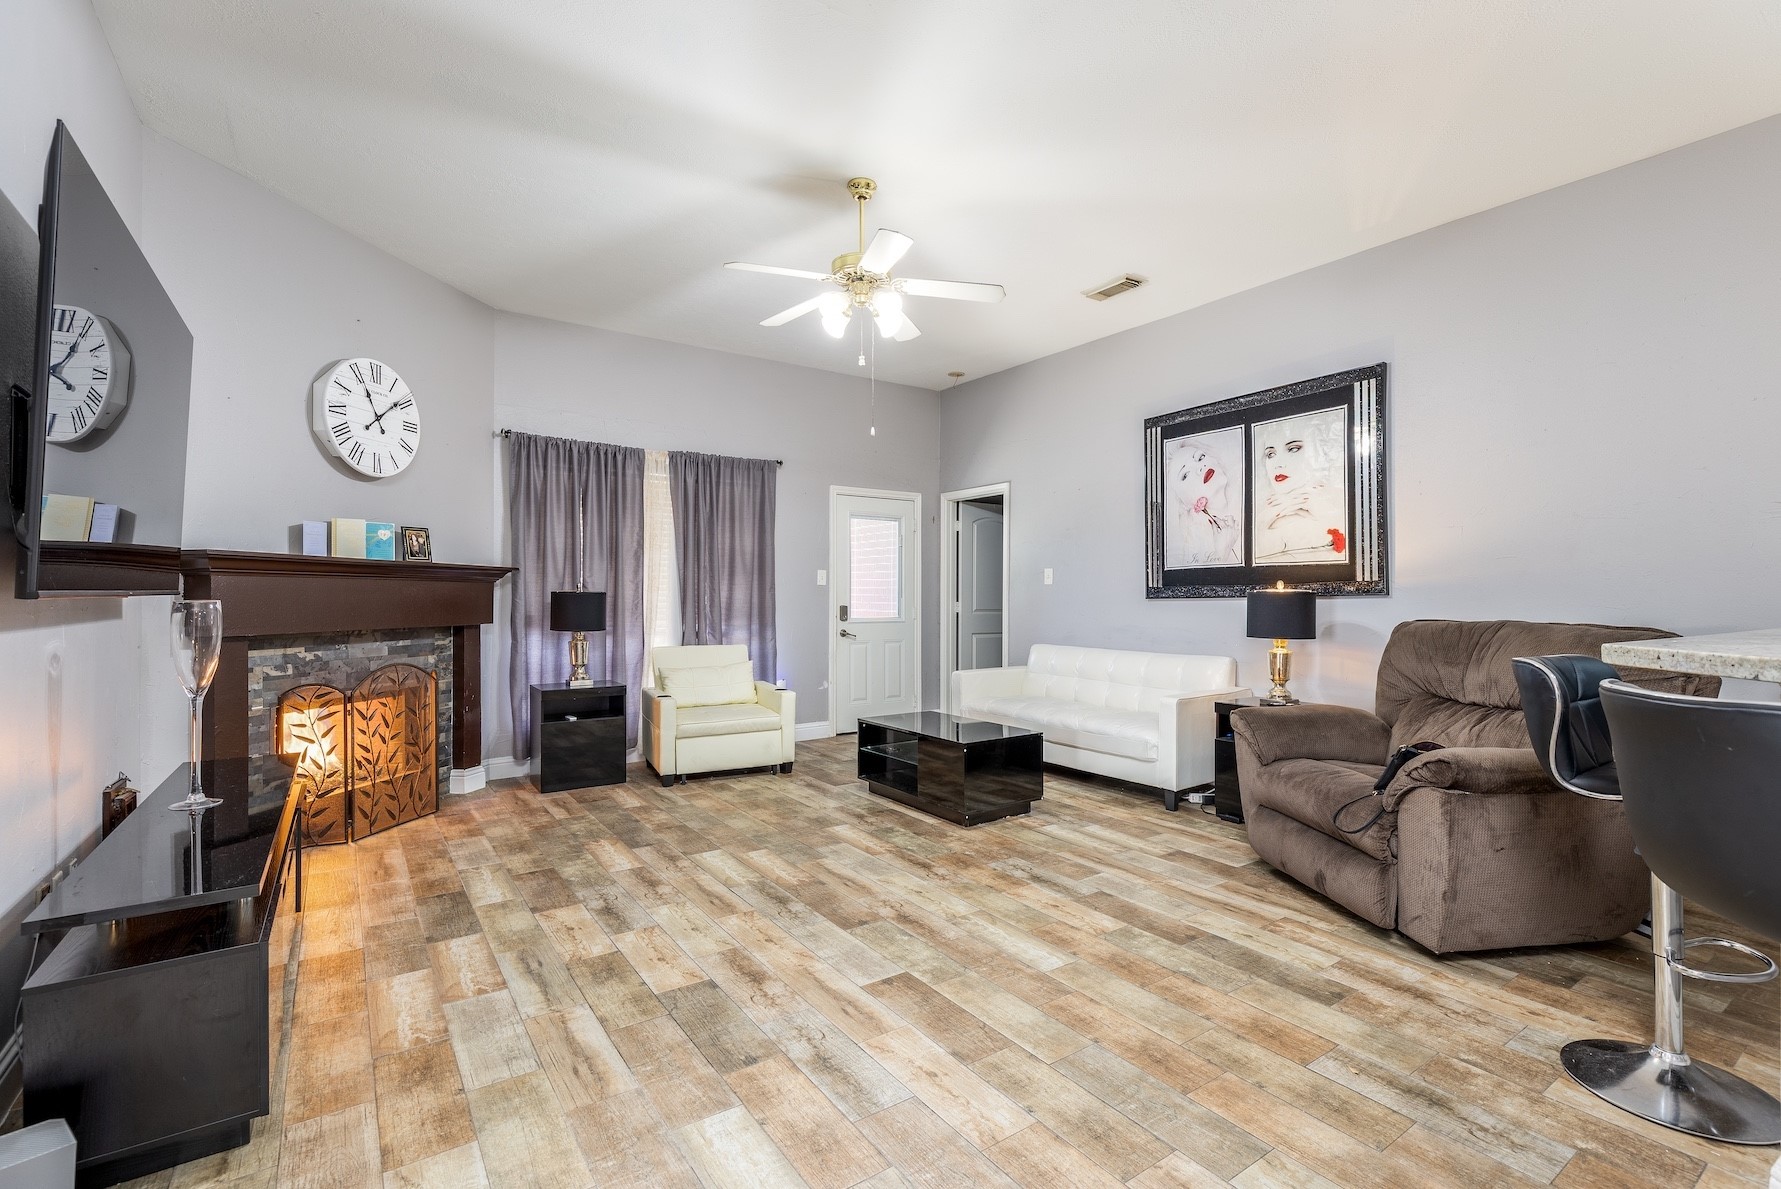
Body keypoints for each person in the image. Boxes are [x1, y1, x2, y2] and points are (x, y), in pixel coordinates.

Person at [1254, 412, 1347, 563]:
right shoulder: (1264, 510)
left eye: (1293, 449)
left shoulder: (1336, 503)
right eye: (1271, 454)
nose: (1278, 463)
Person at [1166, 439, 1241, 567]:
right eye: (1185, 475)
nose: (1201, 467)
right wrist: (1221, 554)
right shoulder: (1194, 544)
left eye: (1200, 457)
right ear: (1182, 503)